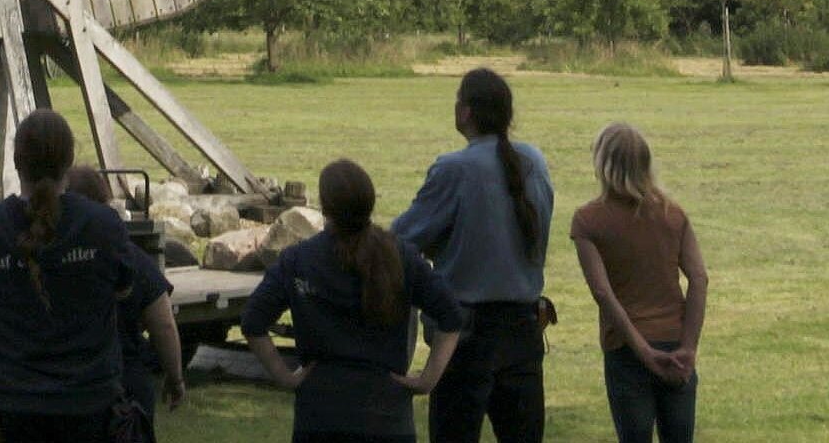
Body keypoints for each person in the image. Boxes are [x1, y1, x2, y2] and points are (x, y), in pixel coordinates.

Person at [0, 110, 187, 442]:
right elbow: (127, 292)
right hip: (89, 406)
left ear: (15, 161)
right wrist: (175, 376)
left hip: (15, 406)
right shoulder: (101, 225)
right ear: (69, 161)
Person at [246, 158, 468, 443]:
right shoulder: (400, 256)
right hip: (388, 416)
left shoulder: (299, 260)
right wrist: (427, 380)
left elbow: (254, 321)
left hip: (321, 414)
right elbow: (451, 315)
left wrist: (285, 376)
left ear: (325, 208)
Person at [391, 69, 553, 443]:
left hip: (465, 335)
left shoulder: (455, 169)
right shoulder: (534, 163)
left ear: (465, 112)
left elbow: (402, 240)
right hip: (524, 329)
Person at [566, 124, 706, 443]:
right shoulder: (673, 214)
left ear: (602, 165)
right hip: (675, 344)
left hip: (626, 349)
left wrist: (643, 350)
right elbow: (699, 279)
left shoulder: (588, 220)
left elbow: (602, 292)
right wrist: (688, 348)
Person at [63, 166, 159, 437]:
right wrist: (175, 377)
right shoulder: (129, 255)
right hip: (119, 378)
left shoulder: (47, 257)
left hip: (66, 382)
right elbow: (162, 322)